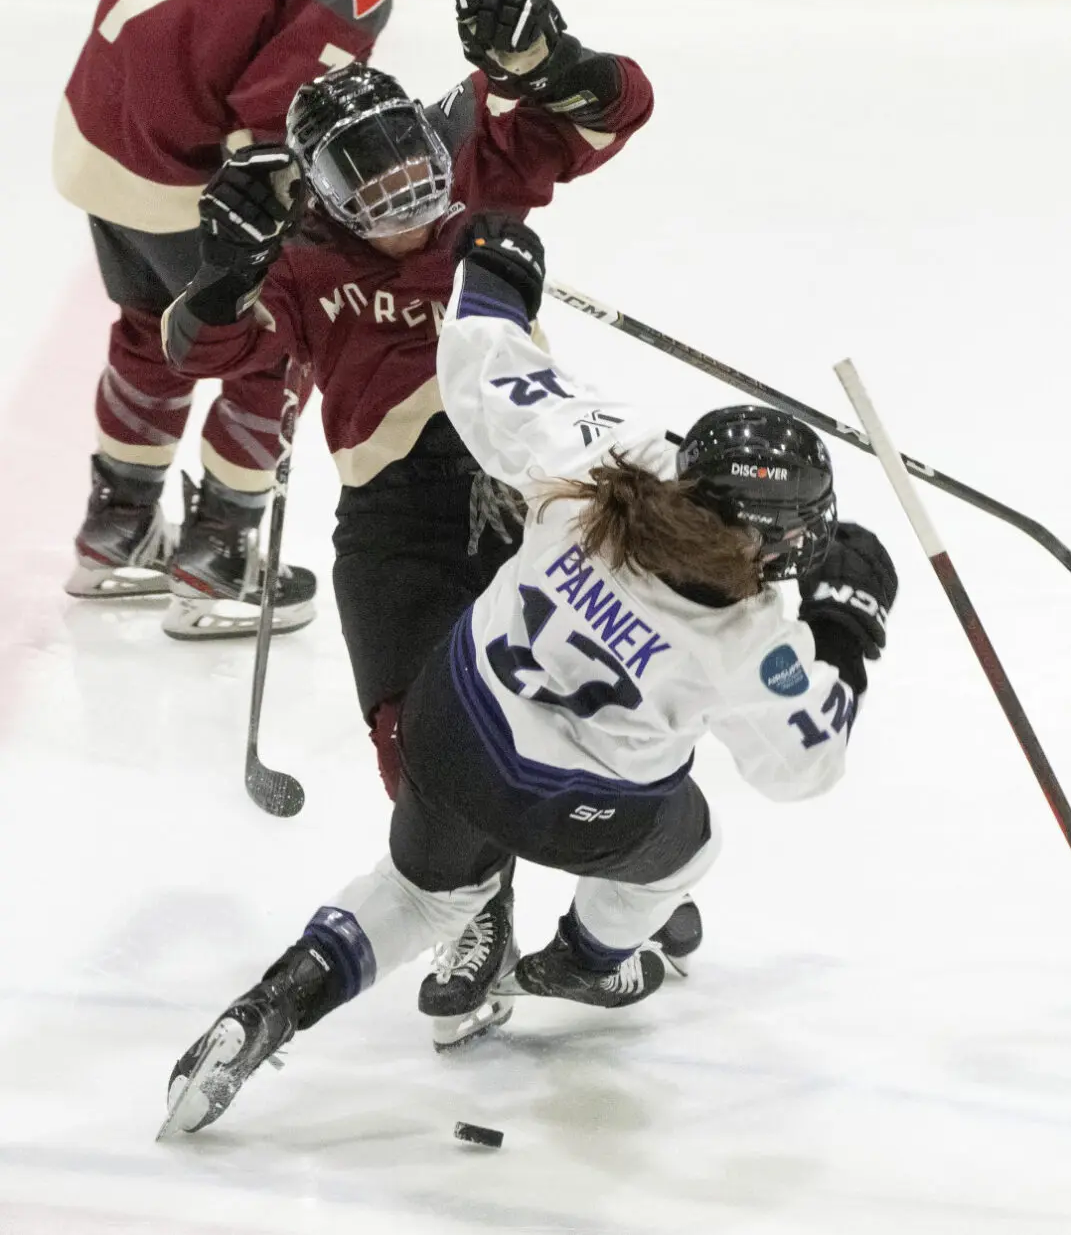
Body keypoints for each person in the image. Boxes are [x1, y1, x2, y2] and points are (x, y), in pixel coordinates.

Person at [157, 216, 899, 1138]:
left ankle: (268, 1005)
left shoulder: (603, 460)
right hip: (575, 810)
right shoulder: (748, 636)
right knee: (691, 843)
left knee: (418, 893)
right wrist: (843, 627)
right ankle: (589, 961)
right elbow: (804, 766)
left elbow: (479, 361)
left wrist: (495, 273)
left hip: (453, 722)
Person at [159, 0, 664, 1039]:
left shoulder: (475, 158)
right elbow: (196, 350)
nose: (405, 203)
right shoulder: (296, 254)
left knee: (583, 705)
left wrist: (547, 63)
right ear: (327, 197)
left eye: (412, 174)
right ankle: (480, 902)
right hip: (394, 516)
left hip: (531, 489)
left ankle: (635, 873)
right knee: (421, 736)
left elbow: (618, 107)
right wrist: (223, 268)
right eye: (373, 190)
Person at [57, 0, 395, 637]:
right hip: (189, 177)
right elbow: (286, 98)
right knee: (268, 353)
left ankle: (116, 528)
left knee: (152, 324)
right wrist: (274, 198)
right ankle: (220, 558)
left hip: (97, 138)